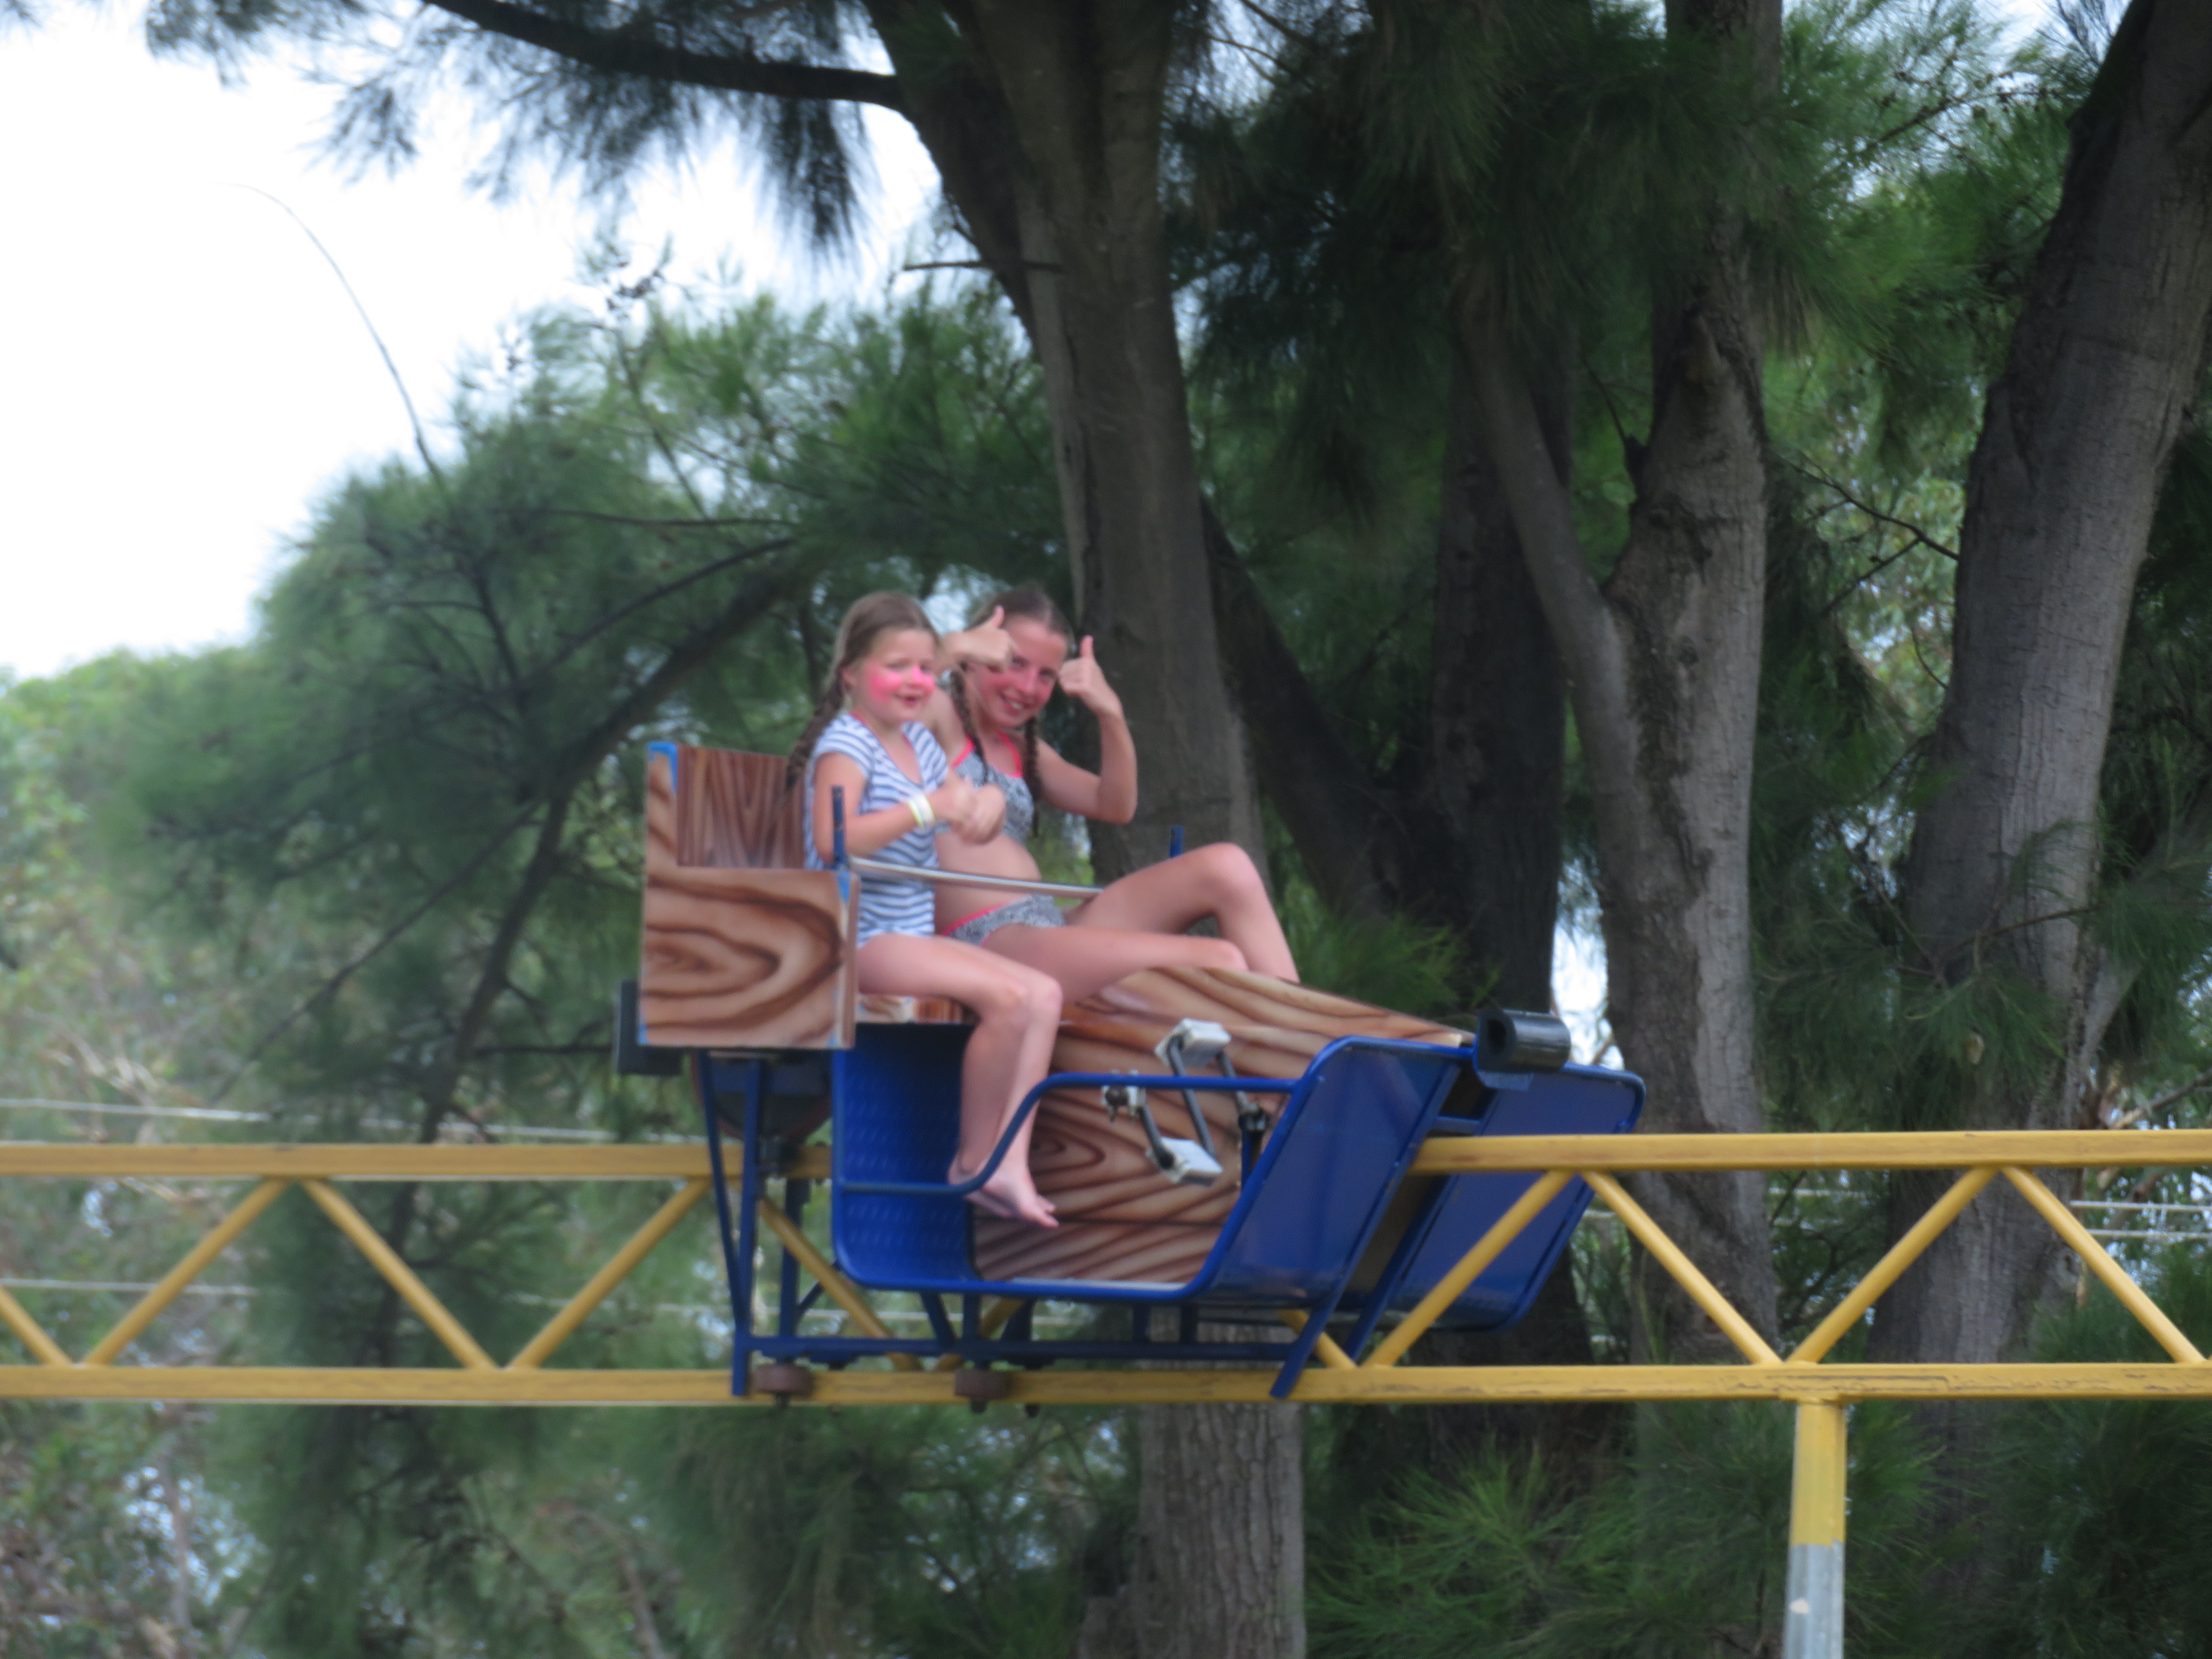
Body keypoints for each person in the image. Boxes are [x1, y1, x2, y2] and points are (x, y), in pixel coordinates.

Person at [790, 592, 1062, 1228]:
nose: (915, 681)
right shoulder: (848, 744)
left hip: (912, 932)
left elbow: (959, 805)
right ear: (851, 675)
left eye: (922, 668)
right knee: (1008, 1000)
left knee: (1045, 994)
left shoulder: (918, 741)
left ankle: (1010, 1162)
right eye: (896, 668)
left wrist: (985, 808)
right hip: (861, 935)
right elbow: (833, 841)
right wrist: (924, 810)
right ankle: (972, 1159)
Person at [920, 587, 1300, 1002]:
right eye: (1015, 663)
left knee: (1228, 865)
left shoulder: (1025, 751)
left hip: (1048, 927)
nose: (1027, 687)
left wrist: (1110, 713)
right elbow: (880, 708)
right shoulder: (939, 718)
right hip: (990, 941)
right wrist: (955, 646)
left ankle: (1309, 1025)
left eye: (1046, 675)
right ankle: (1294, 1033)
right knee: (1219, 960)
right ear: (977, 653)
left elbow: (1116, 805)